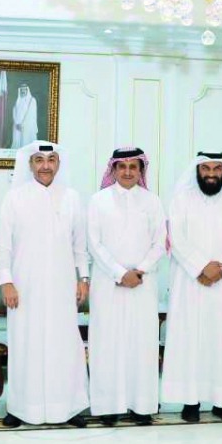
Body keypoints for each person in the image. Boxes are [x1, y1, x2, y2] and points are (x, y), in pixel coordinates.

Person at [0, 141, 90, 428]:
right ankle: (20, 408)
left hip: (62, 287)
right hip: (25, 287)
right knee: (26, 343)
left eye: (51, 160)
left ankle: (69, 407)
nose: (45, 165)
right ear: (30, 164)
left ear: (58, 164)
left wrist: (83, 278)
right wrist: (6, 282)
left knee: (64, 345)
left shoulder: (72, 197)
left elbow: (80, 245)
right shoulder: (14, 198)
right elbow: (4, 246)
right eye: (39, 160)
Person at [161, 151, 222, 423]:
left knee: (221, 340)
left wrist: (220, 267)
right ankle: (191, 401)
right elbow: (176, 237)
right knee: (189, 339)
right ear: (197, 170)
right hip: (189, 281)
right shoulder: (181, 199)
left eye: (217, 168)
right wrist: (200, 267)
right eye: (206, 168)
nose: (211, 173)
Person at [87, 147, 165, 426]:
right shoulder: (98, 201)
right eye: (123, 167)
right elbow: (94, 243)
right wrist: (120, 273)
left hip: (143, 284)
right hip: (108, 284)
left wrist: (139, 271)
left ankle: (141, 405)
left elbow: (160, 243)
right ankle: (108, 406)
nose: (129, 172)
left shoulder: (153, 202)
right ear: (114, 170)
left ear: (141, 170)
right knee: (108, 342)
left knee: (141, 343)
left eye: (134, 167)